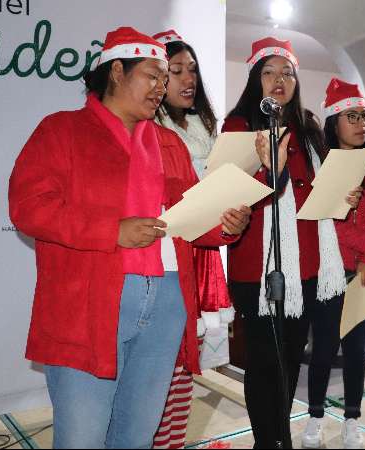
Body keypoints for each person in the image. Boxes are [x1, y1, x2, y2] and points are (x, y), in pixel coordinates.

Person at [8, 27, 251, 449]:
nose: (162, 87)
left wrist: (227, 222)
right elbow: (29, 207)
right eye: (153, 76)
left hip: (167, 300)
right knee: (81, 437)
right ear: (117, 71)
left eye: (165, 78)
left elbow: (190, 218)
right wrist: (111, 230)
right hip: (90, 302)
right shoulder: (61, 130)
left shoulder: (168, 143)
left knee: (138, 435)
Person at [222, 37, 361, 448]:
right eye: (268, 72)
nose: (279, 80)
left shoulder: (309, 127)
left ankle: (279, 437)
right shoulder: (239, 126)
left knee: (289, 365)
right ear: (254, 79)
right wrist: (270, 169)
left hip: (308, 267)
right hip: (257, 267)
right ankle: (269, 442)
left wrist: (341, 197)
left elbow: (314, 194)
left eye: (287, 73)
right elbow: (235, 197)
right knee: (265, 366)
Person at [150, 30, 235, 450]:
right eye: (174, 71)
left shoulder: (206, 126)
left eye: (192, 70)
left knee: (187, 371)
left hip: (204, 254)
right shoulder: (149, 129)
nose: (188, 79)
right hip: (168, 256)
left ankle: (174, 443)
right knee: (157, 372)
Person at [301, 78, 365, 450]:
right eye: (351, 117)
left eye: (364, 117)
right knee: (323, 349)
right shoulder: (321, 164)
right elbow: (328, 222)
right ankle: (316, 417)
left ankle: (352, 419)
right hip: (329, 272)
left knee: (356, 352)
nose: (361, 124)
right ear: (333, 122)